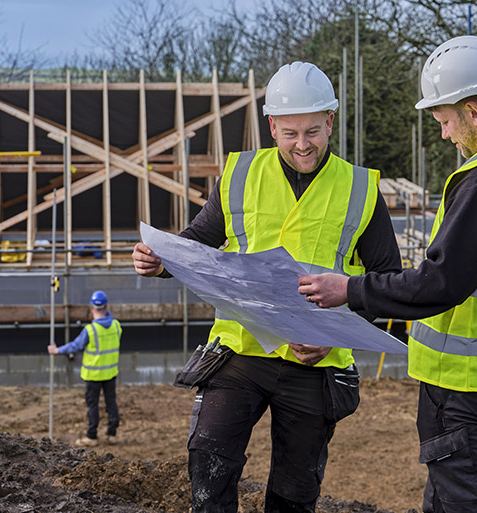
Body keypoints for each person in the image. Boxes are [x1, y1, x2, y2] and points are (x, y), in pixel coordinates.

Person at [299, 36, 477, 513]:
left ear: (474, 111)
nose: (444, 134)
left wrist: (349, 290)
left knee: (471, 500)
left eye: (445, 120)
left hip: (469, 379)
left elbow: (440, 283)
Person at [131, 61, 401, 513]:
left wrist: (332, 332)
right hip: (239, 348)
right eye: (290, 133)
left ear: (330, 121)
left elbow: (387, 281)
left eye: (313, 132)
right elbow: (199, 242)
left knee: (295, 493)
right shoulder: (239, 175)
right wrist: (161, 259)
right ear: (271, 125)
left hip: (314, 359)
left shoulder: (361, 190)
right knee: (209, 463)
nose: (302, 145)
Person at [47, 290, 121, 447]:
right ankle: (112, 434)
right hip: (110, 373)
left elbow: (76, 346)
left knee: (93, 405)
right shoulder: (116, 326)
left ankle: (92, 436)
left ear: (91, 309)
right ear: (107, 307)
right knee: (111, 403)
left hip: (93, 375)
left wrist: (57, 350)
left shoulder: (90, 330)